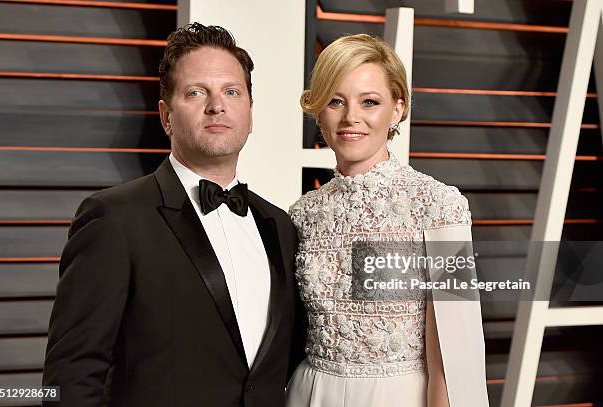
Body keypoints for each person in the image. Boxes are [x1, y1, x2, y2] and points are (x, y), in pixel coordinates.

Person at [42, 22, 303, 407]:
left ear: (249, 111)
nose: (217, 105)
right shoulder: (113, 219)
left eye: (232, 91)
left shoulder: (279, 225)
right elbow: (70, 376)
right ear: (166, 116)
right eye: (196, 92)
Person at [286, 34, 489, 407]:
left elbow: (453, 353)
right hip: (310, 394)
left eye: (370, 102)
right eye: (335, 100)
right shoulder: (303, 213)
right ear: (319, 110)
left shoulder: (439, 205)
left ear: (397, 109)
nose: (351, 118)